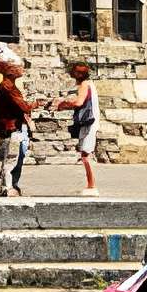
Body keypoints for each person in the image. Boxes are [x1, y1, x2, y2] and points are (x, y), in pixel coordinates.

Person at [0, 49, 35, 197]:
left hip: (15, 126)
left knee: (17, 157)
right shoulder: (8, 87)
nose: (21, 69)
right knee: (12, 158)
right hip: (12, 127)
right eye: (17, 67)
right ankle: (8, 186)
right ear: (11, 70)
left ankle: (11, 185)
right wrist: (37, 103)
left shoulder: (9, 86)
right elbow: (23, 106)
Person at [59, 60, 100, 194]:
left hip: (89, 123)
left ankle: (92, 186)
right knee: (85, 154)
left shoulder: (84, 85)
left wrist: (64, 104)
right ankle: (90, 185)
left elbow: (79, 102)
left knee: (85, 155)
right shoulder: (90, 84)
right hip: (91, 122)